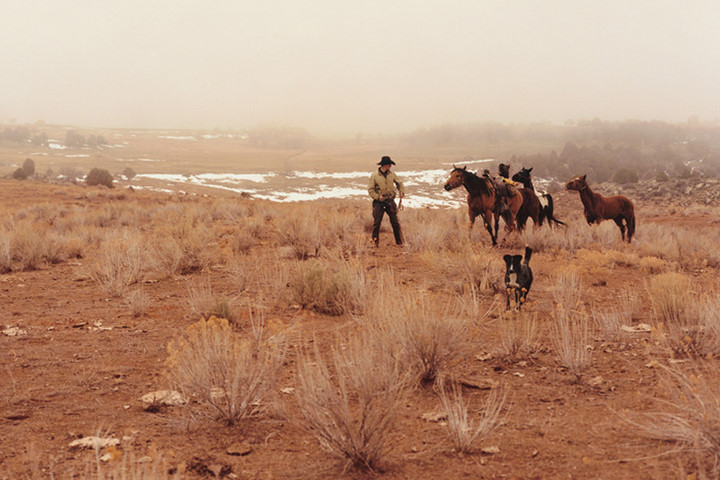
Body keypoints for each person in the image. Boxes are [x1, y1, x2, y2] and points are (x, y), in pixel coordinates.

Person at [368, 156, 405, 247]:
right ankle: (374, 243)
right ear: (384, 165)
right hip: (378, 202)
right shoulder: (374, 175)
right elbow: (370, 190)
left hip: (390, 201)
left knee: (395, 222)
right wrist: (377, 197)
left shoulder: (392, 174)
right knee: (377, 223)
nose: (390, 167)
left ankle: (400, 242)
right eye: (389, 165)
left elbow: (399, 183)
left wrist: (402, 191)